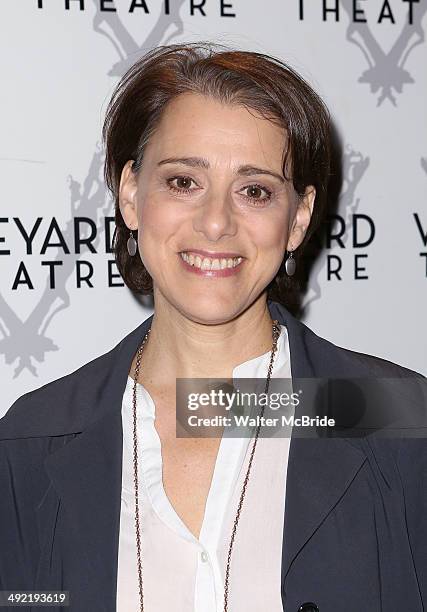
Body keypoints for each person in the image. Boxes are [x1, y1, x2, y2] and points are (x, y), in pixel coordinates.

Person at [0, 42, 426, 612]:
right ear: (131, 194)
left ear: (298, 218)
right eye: (183, 181)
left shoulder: (394, 423)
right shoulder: (33, 440)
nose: (217, 221)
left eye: (255, 191)